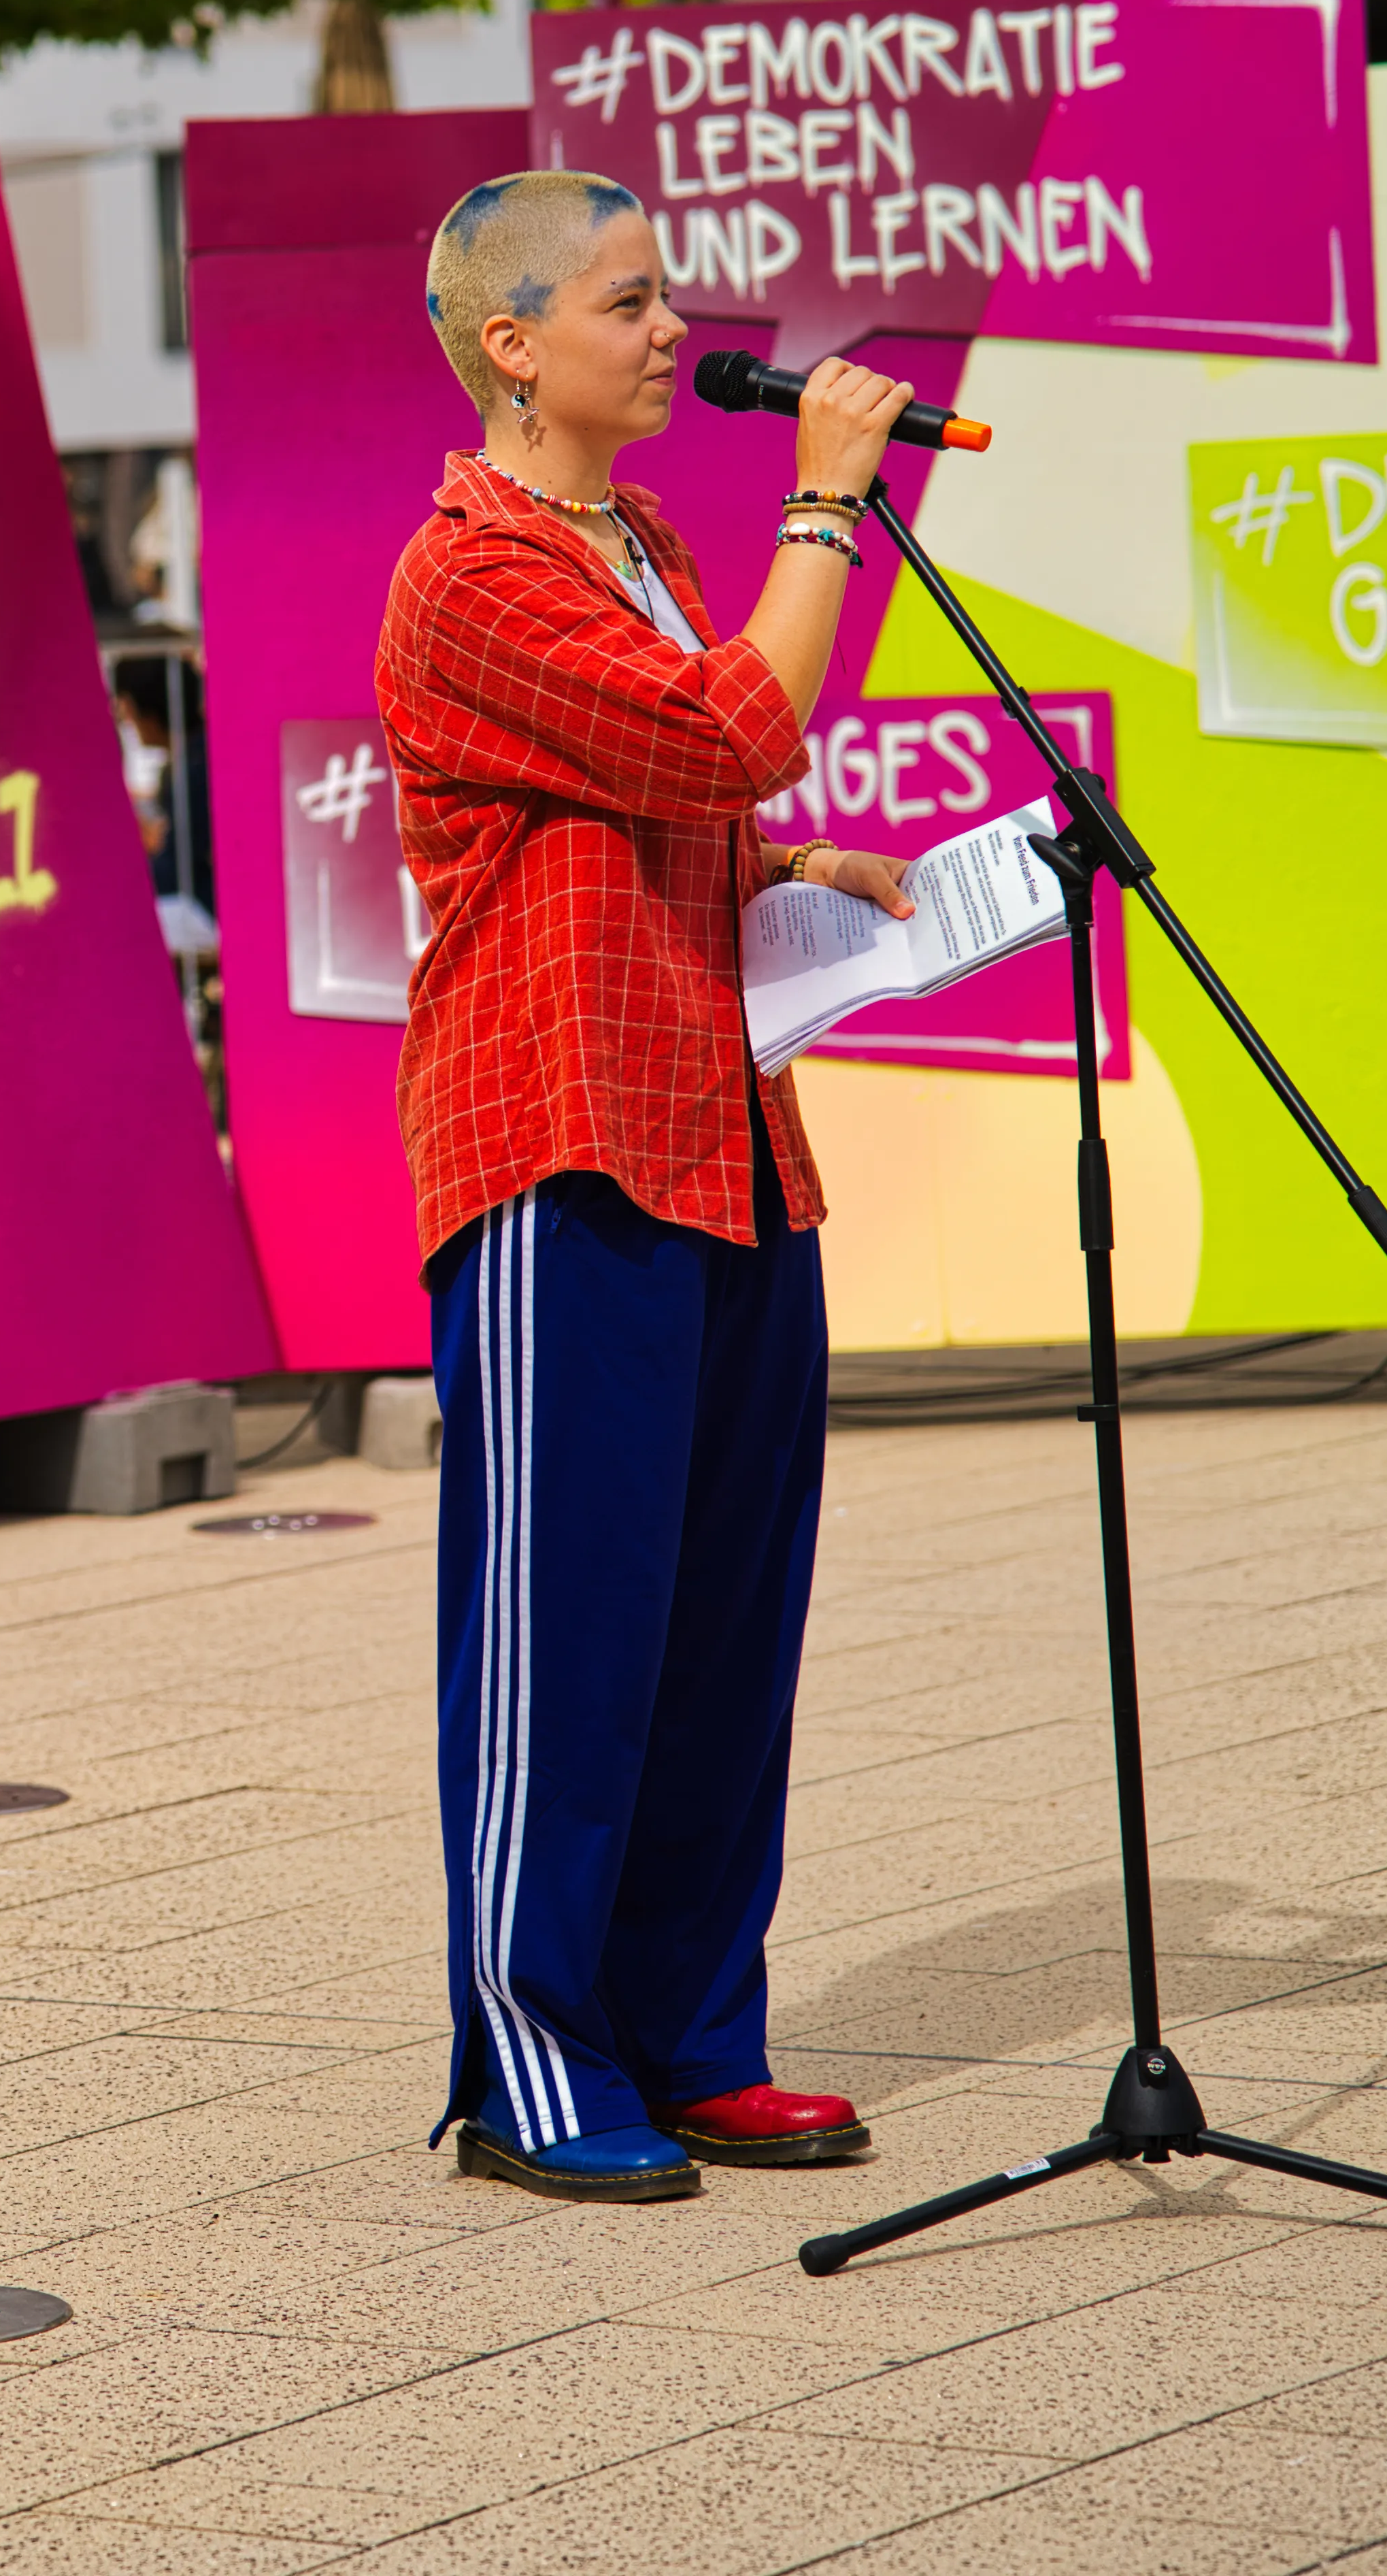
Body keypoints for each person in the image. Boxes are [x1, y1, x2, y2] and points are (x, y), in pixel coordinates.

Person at [375, 172, 917, 2201]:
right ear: (514, 344)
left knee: (719, 1620)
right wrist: (829, 504)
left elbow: (674, 810)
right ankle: (529, 2063)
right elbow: (729, 733)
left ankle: (696, 2039)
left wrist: (794, 880)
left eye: (664, 290)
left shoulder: (647, 542)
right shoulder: (475, 573)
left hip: (727, 1145)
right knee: (562, 1628)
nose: (671, 324)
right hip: (564, 1144)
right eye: (627, 299)